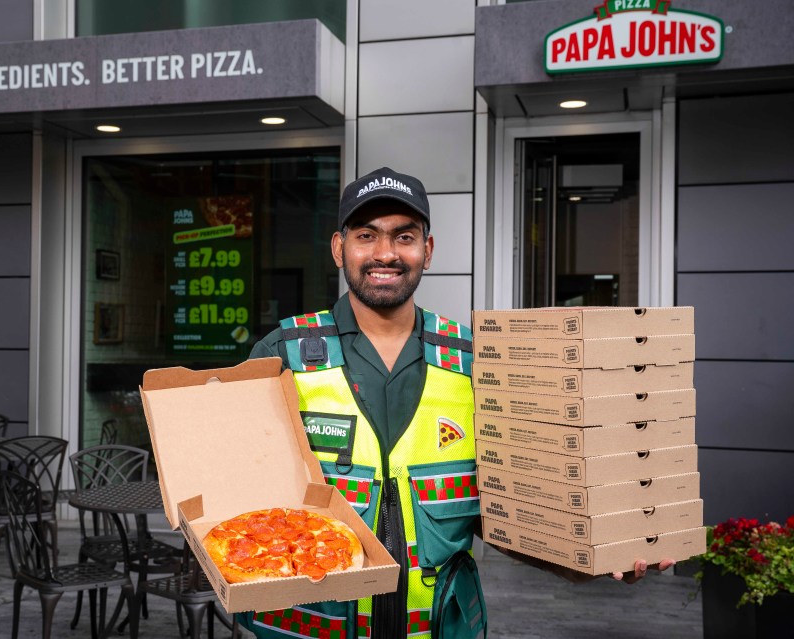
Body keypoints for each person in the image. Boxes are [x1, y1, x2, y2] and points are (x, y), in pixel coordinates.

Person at [239, 166, 674, 639]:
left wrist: (590, 557)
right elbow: (235, 504)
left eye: (404, 236)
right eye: (367, 235)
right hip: (313, 625)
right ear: (339, 248)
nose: (385, 253)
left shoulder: (477, 363)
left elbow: (512, 512)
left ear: (427, 249)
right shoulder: (283, 355)